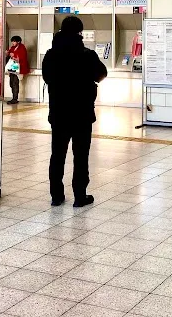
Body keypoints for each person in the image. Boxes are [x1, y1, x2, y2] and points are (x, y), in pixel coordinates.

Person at [42, 16, 107, 207]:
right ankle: (80, 196)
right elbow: (101, 74)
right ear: (79, 32)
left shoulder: (50, 55)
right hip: (82, 114)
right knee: (81, 155)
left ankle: (56, 195)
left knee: (57, 155)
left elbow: (47, 77)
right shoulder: (87, 54)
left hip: (59, 113)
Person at [6, 36, 29, 104]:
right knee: (11, 83)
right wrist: (8, 53)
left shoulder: (22, 48)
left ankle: (15, 98)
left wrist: (14, 55)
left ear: (18, 41)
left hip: (18, 68)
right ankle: (14, 97)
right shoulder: (12, 48)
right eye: (12, 41)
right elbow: (9, 55)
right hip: (12, 68)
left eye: (14, 41)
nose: (13, 43)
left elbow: (22, 57)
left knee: (15, 83)